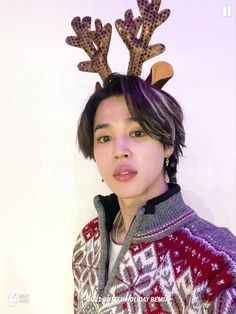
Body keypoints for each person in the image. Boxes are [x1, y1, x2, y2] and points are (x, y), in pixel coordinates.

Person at [72, 73, 236, 313]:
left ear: (167, 144)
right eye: (104, 138)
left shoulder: (217, 265)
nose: (119, 151)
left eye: (137, 133)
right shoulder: (88, 240)